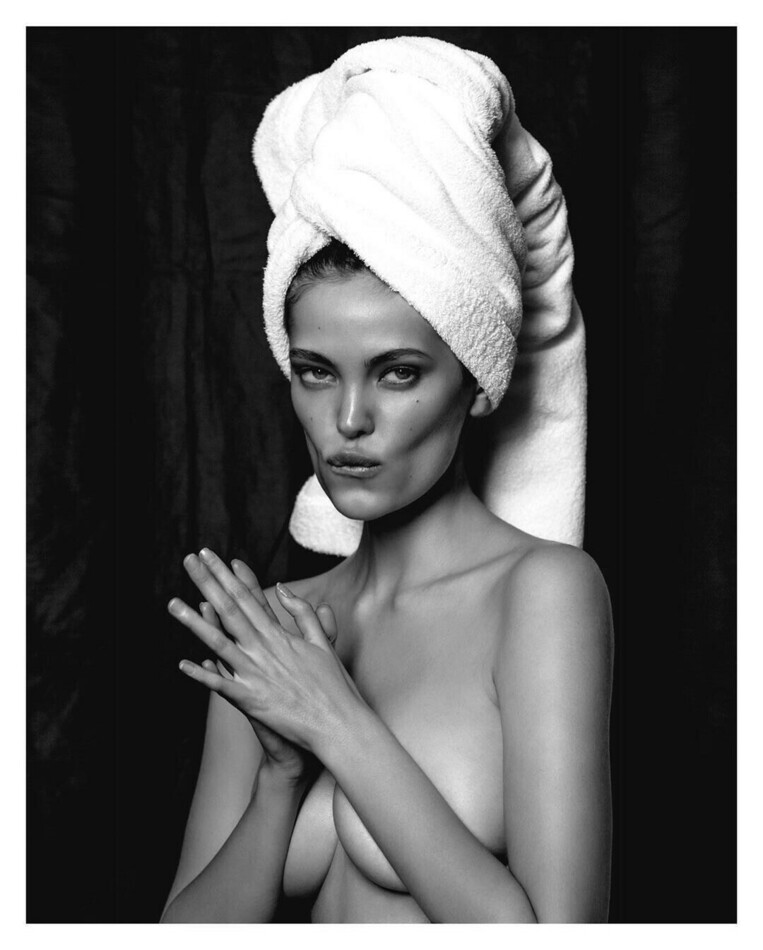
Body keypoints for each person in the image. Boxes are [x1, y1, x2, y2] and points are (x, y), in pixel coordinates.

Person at [160, 36, 613, 924]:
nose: (348, 419)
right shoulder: (278, 627)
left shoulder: (541, 592)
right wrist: (279, 780)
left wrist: (336, 720)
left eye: (398, 372)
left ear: (476, 383)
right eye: (315, 371)